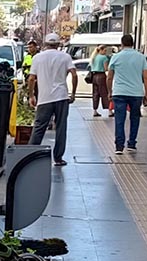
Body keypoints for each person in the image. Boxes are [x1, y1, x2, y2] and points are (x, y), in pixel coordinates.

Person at [26, 32, 78, 167]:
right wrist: (73, 93)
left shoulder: (38, 58)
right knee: (61, 127)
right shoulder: (65, 57)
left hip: (44, 98)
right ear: (58, 44)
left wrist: (31, 95)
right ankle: (58, 158)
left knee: (39, 127)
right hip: (61, 97)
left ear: (45, 44)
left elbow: (31, 78)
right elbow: (74, 74)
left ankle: (30, 154)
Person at [107, 34, 147, 154]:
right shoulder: (141, 57)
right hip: (136, 93)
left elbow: (109, 77)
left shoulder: (115, 57)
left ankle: (119, 146)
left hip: (119, 92)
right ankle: (132, 143)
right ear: (133, 43)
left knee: (119, 119)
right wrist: (146, 94)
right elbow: (146, 77)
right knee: (135, 118)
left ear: (121, 44)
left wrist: (110, 91)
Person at [89, 45, 111, 117]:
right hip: (101, 76)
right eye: (104, 50)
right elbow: (105, 68)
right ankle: (109, 111)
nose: (105, 52)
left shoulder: (94, 57)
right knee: (104, 93)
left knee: (95, 93)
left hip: (94, 76)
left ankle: (95, 110)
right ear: (101, 50)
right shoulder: (104, 58)